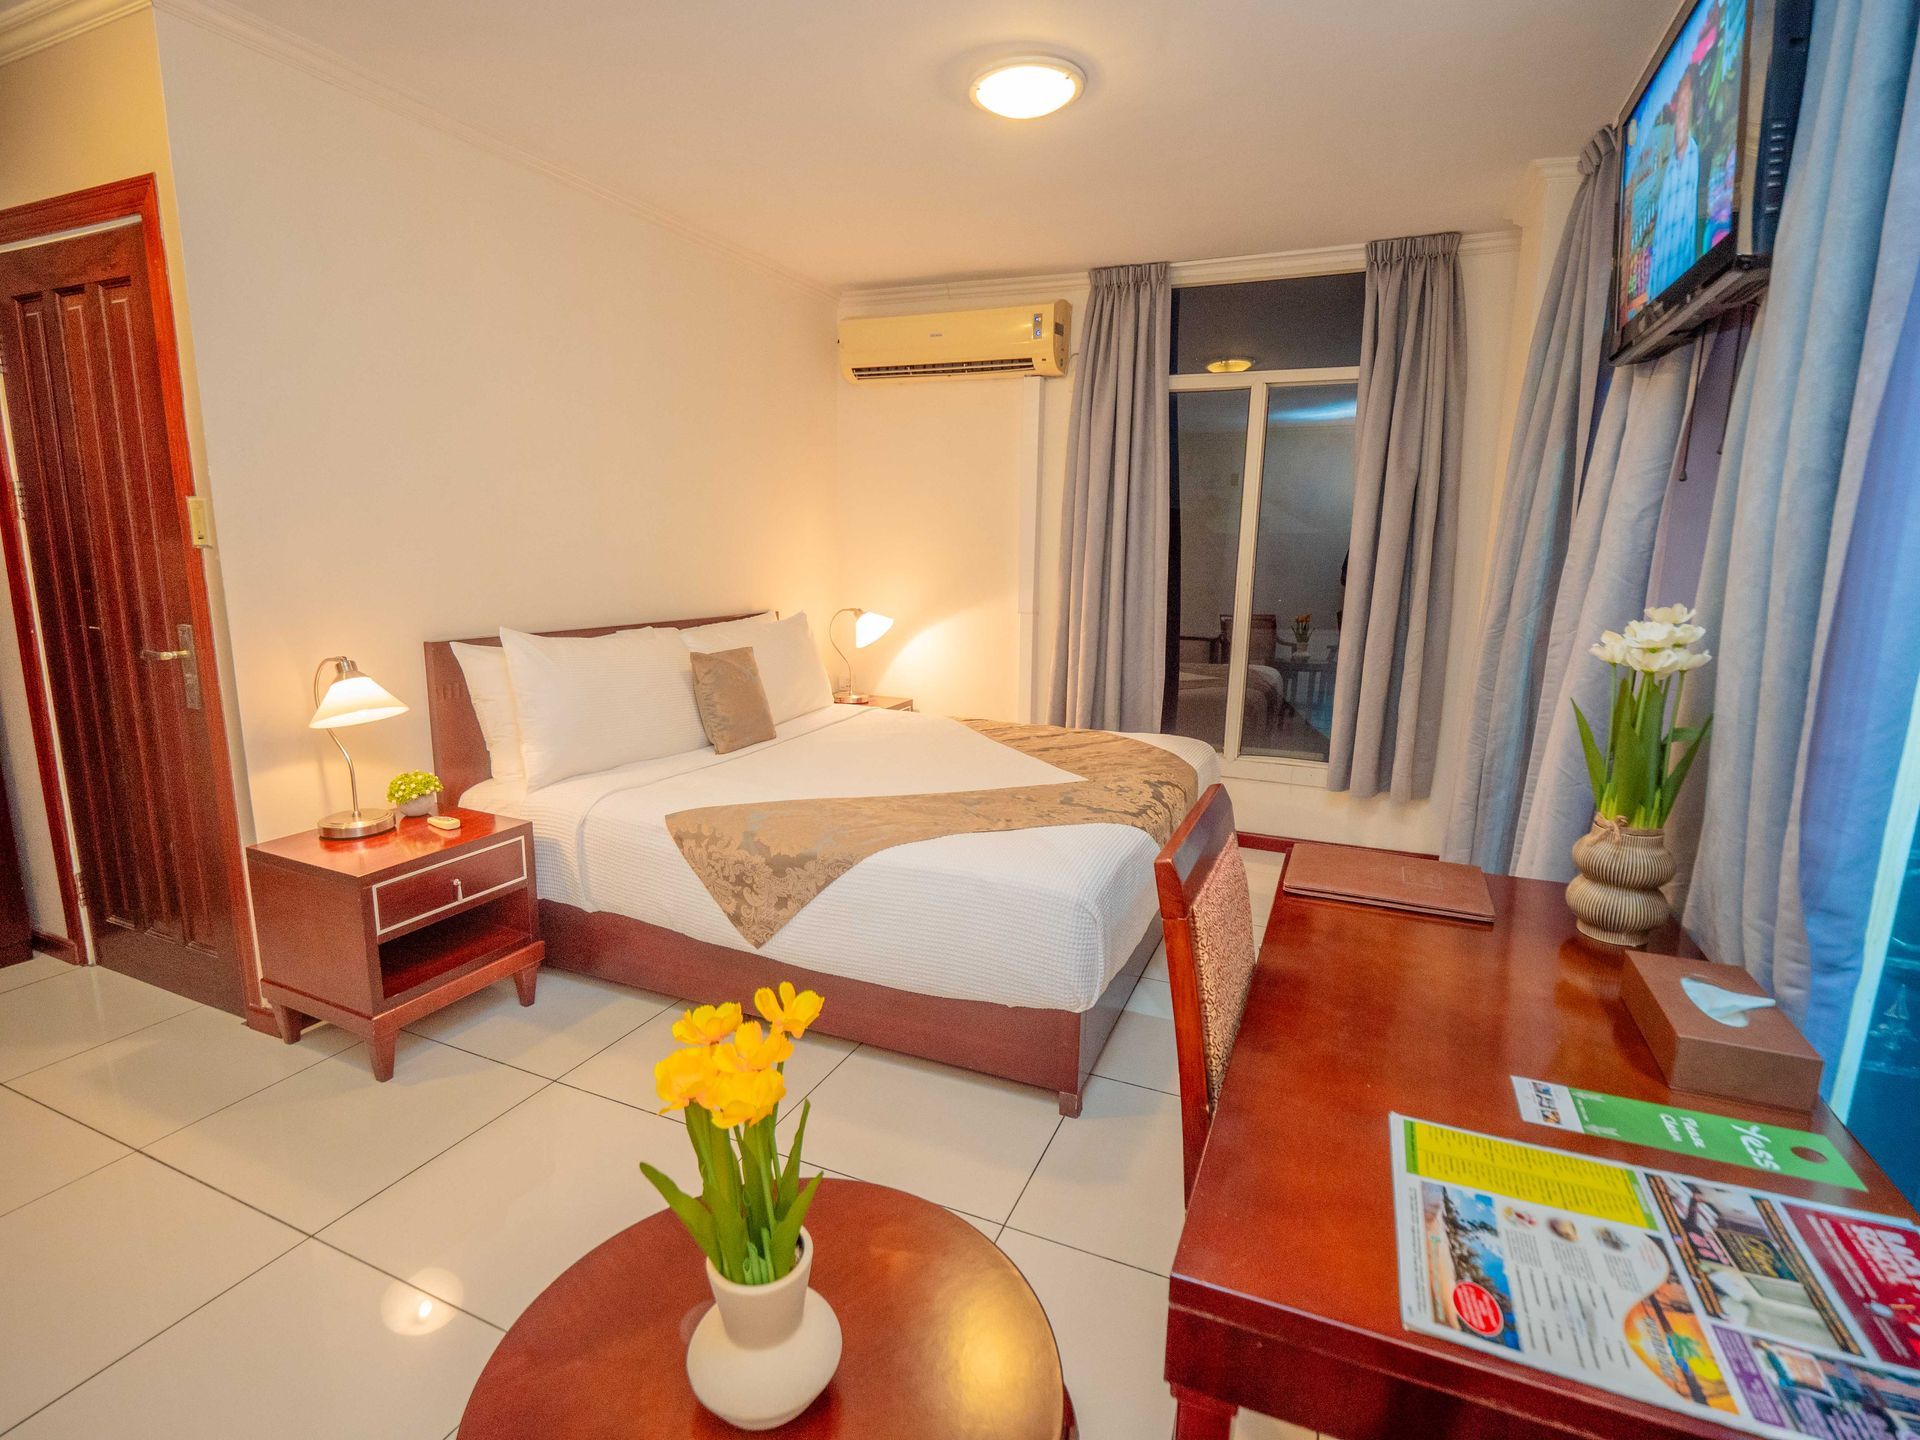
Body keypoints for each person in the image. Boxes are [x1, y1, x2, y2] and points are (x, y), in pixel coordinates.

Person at [1650, 65, 1703, 297]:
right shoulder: (1666, 165)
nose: (1682, 111)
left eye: (1686, 104)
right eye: (1679, 103)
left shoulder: (1691, 154)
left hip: (1681, 295)